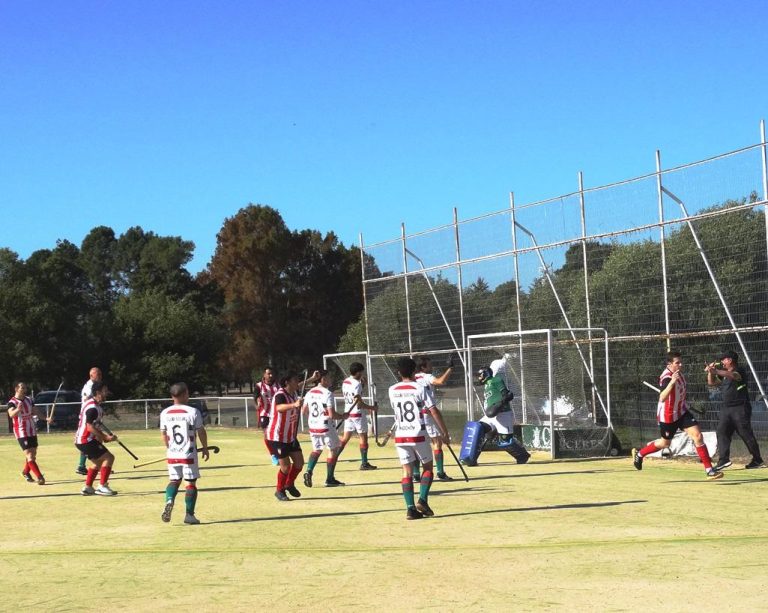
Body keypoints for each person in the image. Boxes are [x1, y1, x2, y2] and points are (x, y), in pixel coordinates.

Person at [633, 351, 722, 480]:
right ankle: (640, 454)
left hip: (682, 411)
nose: (680, 364)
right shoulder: (667, 378)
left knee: (698, 436)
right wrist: (672, 382)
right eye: (677, 363)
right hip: (668, 415)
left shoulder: (678, 373)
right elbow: (662, 397)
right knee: (665, 443)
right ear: (669, 364)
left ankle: (709, 470)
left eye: (680, 362)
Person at [389, 357, 451, 520]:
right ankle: (422, 500)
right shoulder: (419, 387)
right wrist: (444, 432)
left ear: (398, 372)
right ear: (414, 371)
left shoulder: (392, 389)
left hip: (400, 436)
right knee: (428, 468)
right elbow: (433, 411)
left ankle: (410, 509)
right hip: (418, 434)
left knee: (406, 472)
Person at [160, 382, 210, 525]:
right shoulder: (193, 411)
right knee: (190, 483)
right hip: (188, 454)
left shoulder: (165, 413)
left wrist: (169, 448)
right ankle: (189, 515)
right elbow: (201, 431)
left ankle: (169, 500)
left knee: (174, 480)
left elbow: (163, 434)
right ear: (183, 394)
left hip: (172, 453)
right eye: (187, 393)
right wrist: (205, 447)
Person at [706, 350, 764, 470]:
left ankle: (757, 460)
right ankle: (724, 460)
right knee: (722, 431)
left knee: (745, 433)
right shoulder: (724, 374)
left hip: (740, 408)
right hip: (726, 408)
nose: (722, 362)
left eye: (724, 359)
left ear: (730, 360)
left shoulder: (739, 370)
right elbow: (711, 383)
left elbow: (734, 376)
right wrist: (711, 372)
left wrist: (716, 370)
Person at [469, 363, 530, 465]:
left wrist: (503, 400)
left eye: (480, 375)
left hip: (503, 414)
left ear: (486, 374)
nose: (479, 378)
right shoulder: (486, 386)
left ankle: (523, 456)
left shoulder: (495, 380)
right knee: (478, 429)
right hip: (491, 415)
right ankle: (471, 458)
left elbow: (506, 394)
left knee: (506, 441)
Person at [302, 370, 349, 488]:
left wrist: (315, 418)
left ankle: (309, 471)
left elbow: (304, 411)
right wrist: (343, 416)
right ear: (323, 379)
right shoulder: (327, 393)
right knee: (333, 449)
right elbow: (332, 414)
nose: (331, 380)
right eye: (329, 377)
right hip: (326, 426)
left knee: (316, 450)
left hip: (313, 426)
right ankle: (329, 478)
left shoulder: (309, 393)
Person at [413, 354, 455, 481]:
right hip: (428, 413)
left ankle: (415, 474)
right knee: (437, 442)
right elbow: (441, 381)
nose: (431, 367)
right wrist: (450, 369)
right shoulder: (427, 377)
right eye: (429, 365)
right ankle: (440, 473)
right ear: (423, 367)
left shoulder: (412, 378)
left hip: (416, 415)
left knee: (417, 444)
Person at [74, 380, 119, 495]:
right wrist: (105, 436)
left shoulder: (94, 405)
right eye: (105, 391)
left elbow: (95, 426)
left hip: (82, 440)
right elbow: (89, 427)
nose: (107, 393)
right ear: (98, 392)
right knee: (109, 458)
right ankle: (102, 486)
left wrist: (105, 437)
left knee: (98, 463)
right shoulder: (93, 407)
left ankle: (88, 487)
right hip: (86, 440)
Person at [267, 371, 305, 501]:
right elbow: (279, 408)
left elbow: (301, 384)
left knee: (299, 463)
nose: (297, 382)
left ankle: (289, 483)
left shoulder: (293, 393)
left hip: (291, 436)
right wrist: (294, 405)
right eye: (295, 380)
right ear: (287, 382)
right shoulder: (280, 394)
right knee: (285, 466)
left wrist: (312, 378)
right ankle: (279, 490)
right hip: (278, 436)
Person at [7, 382, 49, 485]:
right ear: (16, 389)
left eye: (25, 387)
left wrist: (46, 418)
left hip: (31, 429)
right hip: (21, 431)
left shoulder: (29, 400)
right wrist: (18, 409)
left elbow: (36, 412)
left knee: (33, 455)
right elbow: (11, 414)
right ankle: (40, 477)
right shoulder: (12, 402)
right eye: (22, 387)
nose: (24, 389)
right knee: (29, 455)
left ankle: (25, 472)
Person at [338, 362, 378, 470]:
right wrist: (372, 408)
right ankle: (364, 463)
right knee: (363, 437)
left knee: (345, 438)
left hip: (348, 412)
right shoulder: (357, 384)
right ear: (359, 372)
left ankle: (334, 456)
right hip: (357, 414)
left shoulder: (345, 381)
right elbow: (359, 403)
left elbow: (354, 395)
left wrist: (362, 386)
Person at [76, 367, 102, 475]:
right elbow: (87, 399)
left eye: (100, 374)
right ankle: (100, 464)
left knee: (92, 440)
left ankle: (81, 466)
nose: (100, 376)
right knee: (91, 440)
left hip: (94, 415)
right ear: (91, 375)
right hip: (88, 416)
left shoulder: (96, 386)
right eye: (98, 374)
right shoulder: (89, 387)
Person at [255, 366, 280, 465]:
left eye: (272, 373)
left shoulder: (278, 385)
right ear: (264, 375)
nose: (270, 375)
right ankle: (273, 455)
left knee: (276, 434)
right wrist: (256, 404)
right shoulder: (259, 385)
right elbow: (255, 396)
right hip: (264, 413)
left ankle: (279, 453)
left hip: (276, 414)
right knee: (266, 434)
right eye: (268, 373)